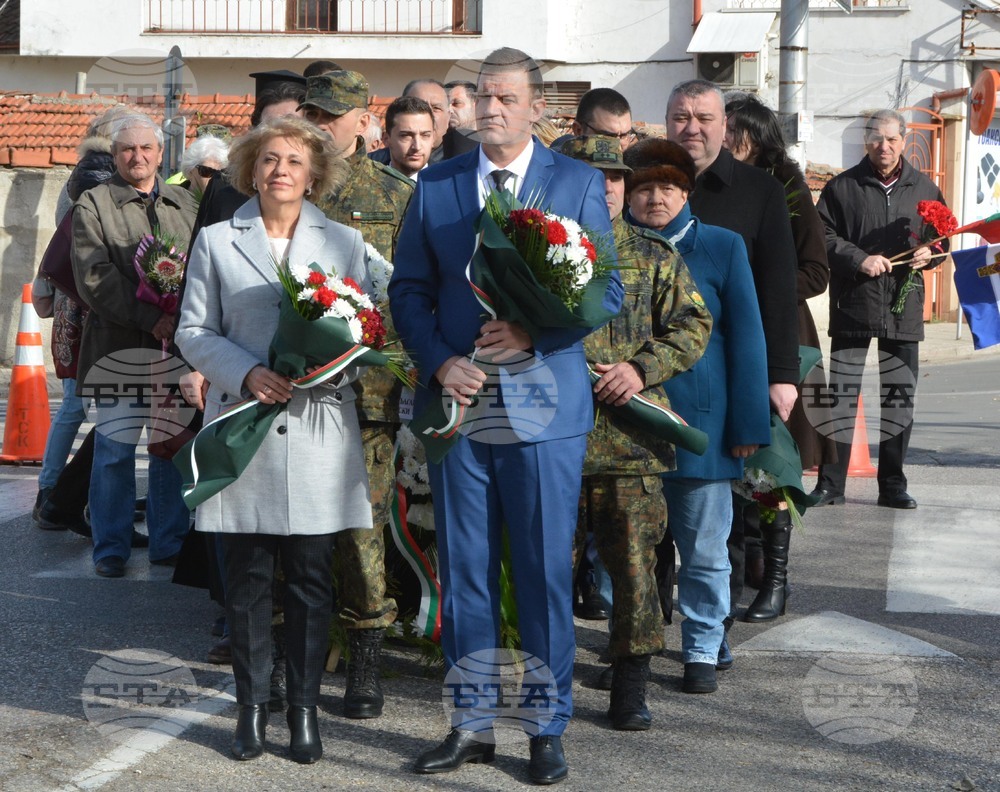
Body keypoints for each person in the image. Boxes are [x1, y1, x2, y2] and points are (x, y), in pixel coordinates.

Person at [389, 47, 622, 785]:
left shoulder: (577, 181)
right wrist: (438, 361)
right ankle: (472, 723)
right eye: (483, 96)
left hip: (544, 407)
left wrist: (534, 333)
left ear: (535, 109)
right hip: (460, 406)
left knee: (544, 570)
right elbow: (408, 290)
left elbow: (608, 291)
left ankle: (546, 728)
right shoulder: (439, 182)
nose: (491, 109)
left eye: (506, 98)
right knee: (465, 571)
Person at [176, 116, 372, 764]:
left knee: (313, 580)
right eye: (268, 160)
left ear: (313, 175)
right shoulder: (216, 241)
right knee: (248, 580)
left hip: (318, 430)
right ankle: (251, 709)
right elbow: (193, 330)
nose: (280, 170)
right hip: (244, 423)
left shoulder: (344, 241)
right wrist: (245, 371)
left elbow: (371, 325)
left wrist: (332, 365)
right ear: (250, 172)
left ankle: (304, 712)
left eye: (293, 160)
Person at [563, 135, 712, 728]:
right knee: (545, 569)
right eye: (591, 176)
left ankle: (630, 685)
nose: (605, 187)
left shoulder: (652, 255)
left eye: (614, 177)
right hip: (553, 440)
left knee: (633, 571)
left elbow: (693, 324)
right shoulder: (535, 252)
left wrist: (640, 369)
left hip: (629, 445)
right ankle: (542, 676)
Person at [618, 138, 770, 694]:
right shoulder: (609, 246)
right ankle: (629, 643)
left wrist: (748, 423)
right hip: (624, 424)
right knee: (627, 551)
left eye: (668, 187)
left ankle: (703, 643)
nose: (655, 198)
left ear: (686, 192)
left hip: (700, 422)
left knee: (704, 549)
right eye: (644, 188)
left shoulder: (722, 246)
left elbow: (747, 337)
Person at [665, 79, 799, 630]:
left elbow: (778, 288)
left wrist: (780, 374)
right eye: (681, 117)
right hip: (653, 377)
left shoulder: (759, 190)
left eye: (704, 118)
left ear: (725, 126)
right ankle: (653, 625)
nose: (692, 128)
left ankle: (714, 624)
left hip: (728, 374)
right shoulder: (644, 183)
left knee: (729, 506)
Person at [303, 69, 413, 720]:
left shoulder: (396, 196)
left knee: (359, 530)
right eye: (312, 113)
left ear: (362, 119)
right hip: (292, 388)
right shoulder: (283, 182)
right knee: (292, 528)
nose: (321, 125)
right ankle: (297, 653)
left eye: (333, 114)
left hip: (367, 390)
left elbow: (413, 293)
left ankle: (365, 662)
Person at [723, 94, 836, 619]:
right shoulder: (711, 182)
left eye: (732, 130)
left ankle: (776, 579)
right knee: (733, 460)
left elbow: (815, 270)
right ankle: (741, 567)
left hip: (779, 334)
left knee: (773, 462)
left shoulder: (786, 185)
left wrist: (759, 288)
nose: (723, 138)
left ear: (754, 137)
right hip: (723, 334)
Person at [71, 111, 198, 578]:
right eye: (127, 149)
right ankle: (111, 546)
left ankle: (168, 541)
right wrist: (151, 317)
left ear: (161, 154)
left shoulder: (185, 203)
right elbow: (94, 277)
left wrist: (183, 319)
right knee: (114, 453)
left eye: (146, 148)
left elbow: (203, 266)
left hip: (176, 351)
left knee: (170, 448)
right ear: (115, 154)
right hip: (117, 350)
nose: (137, 156)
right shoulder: (94, 204)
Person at [810, 109, 945, 511]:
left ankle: (893, 485)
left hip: (903, 305)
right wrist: (858, 259)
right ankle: (830, 484)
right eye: (875, 138)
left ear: (904, 141)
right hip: (854, 301)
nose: (883, 146)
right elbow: (822, 235)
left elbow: (943, 238)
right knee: (841, 396)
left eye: (891, 139)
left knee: (898, 399)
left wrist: (930, 254)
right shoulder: (842, 187)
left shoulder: (924, 187)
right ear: (865, 141)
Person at [371, 78, 478, 165]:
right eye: (418, 107)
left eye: (436, 108)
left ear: (449, 114)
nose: (428, 115)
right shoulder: (370, 166)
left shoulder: (468, 163)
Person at [552, 88, 637, 154]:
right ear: (578, 130)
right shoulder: (556, 168)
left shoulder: (633, 166)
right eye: (609, 136)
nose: (618, 146)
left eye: (624, 135)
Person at [383, 95, 435, 180]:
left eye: (425, 135)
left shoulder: (449, 183)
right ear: (386, 139)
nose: (417, 147)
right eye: (406, 136)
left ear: (433, 138)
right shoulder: (366, 184)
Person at [178, 134, 229, 200]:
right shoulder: (171, 201)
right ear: (190, 170)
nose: (214, 178)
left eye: (221, 173)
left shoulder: (229, 203)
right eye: (206, 171)